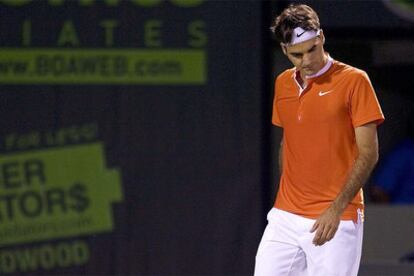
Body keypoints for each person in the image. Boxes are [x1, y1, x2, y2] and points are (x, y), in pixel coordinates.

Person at [254, 4, 384, 276]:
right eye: (297, 54)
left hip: (336, 218)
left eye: (312, 49)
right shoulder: (283, 83)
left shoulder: (355, 81)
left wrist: (335, 209)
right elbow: (287, 142)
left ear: (321, 37)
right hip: (285, 217)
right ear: (284, 51)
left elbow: (369, 153)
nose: (307, 60)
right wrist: (287, 198)